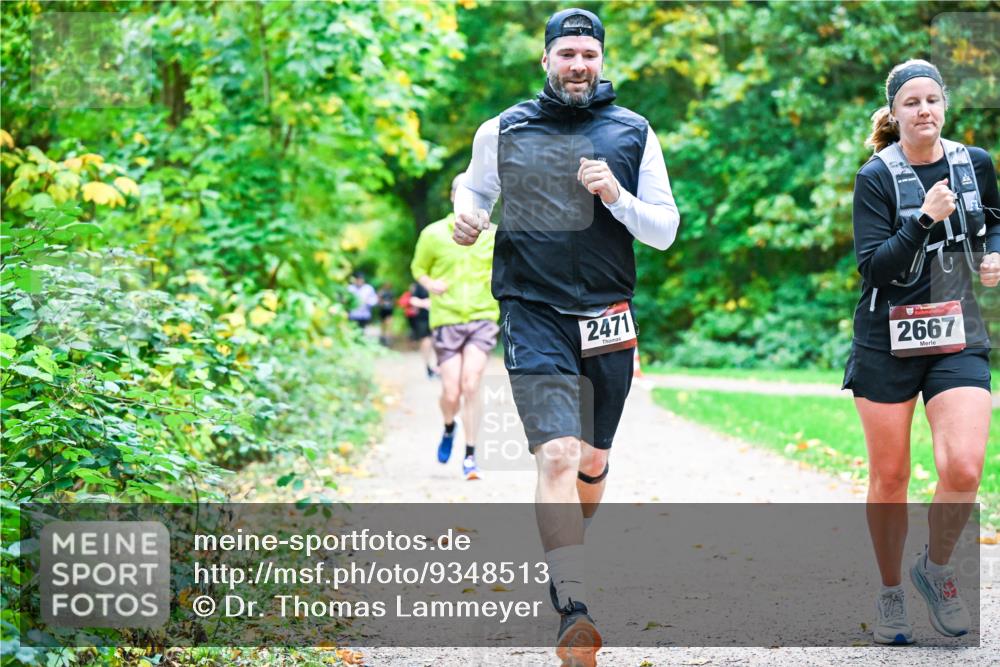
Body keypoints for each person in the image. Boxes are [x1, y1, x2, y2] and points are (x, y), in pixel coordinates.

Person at [452, 8, 679, 665]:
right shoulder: (504, 128)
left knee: (589, 461)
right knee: (554, 452)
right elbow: (472, 191)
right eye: (567, 53)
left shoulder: (633, 132)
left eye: (589, 53)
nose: (579, 64)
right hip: (533, 308)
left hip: (609, 314)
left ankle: (567, 547)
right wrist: (466, 215)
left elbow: (663, 228)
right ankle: (572, 606)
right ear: (546, 59)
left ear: (602, 60)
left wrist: (617, 197)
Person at [843, 59, 1000, 645]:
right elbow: (873, 266)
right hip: (887, 338)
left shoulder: (973, 163)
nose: (925, 110)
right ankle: (889, 594)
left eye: (933, 99)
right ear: (895, 112)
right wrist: (924, 220)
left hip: (956, 332)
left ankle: (935, 572)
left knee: (963, 466)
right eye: (912, 102)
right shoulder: (876, 176)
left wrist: (994, 254)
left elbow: (996, 221)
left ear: (945, 105)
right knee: (890, 475)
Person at [411, 174, 499, 481]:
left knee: (471, 383)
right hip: (446, 317)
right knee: (451, 391)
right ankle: (449, 426)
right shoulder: (433, 234)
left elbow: (512, 269)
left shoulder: (494, 236)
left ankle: (471, 456)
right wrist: (430, 283)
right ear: (452, 197)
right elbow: (418, 269)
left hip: (482, 316)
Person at [398, 281, 437, 378]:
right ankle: (428, 366)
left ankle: (439, 366)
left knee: (437, 341)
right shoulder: (420, 285)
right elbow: (411, 300)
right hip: (423, 318)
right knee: (426, 341)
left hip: (439, 317)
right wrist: (424, 303)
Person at [377, 282, 395, 346]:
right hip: (383, 310)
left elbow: (393, 301)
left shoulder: (391, 293)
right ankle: (383, 337)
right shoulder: (381, 292)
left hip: (389, 310)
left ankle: (388, 338)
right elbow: (379, 300)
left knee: (389, 324)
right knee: (383, 325)